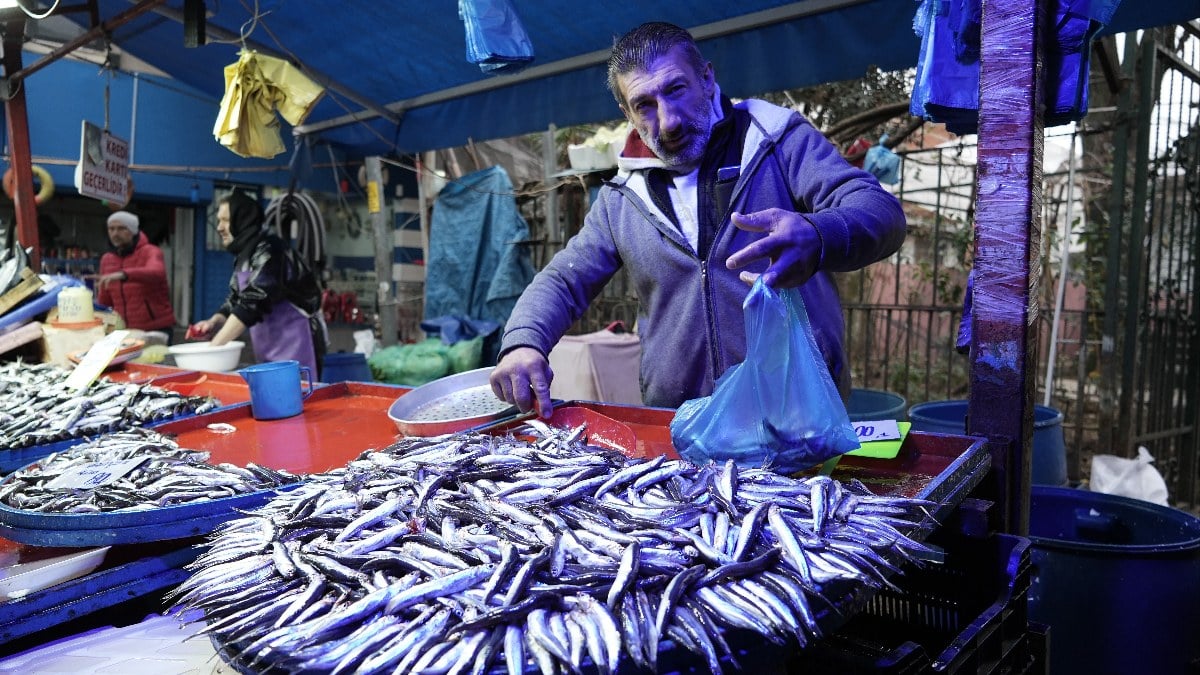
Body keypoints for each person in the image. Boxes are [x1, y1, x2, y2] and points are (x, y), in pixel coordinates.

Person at [490, 21, 906, 415]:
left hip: (798, 414)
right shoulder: (621, 195)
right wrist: (523, 343)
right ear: (626, 112)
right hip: (684, 424)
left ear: (706, 78)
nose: (667, 121)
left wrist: (818, 235)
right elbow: (566, 277)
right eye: (645, 105)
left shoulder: (776, 140)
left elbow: (879, 211)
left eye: (676, 89)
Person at [187, 190, 326, 378]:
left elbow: (252, 303)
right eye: (219, 220)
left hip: (297, 349)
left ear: (242, 219)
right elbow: (236, 299)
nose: (219, 227)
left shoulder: (270, 250)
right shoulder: (246, 254)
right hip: (270, 351)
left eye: (226, 220)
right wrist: (214, 321)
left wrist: (213, 349)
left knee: (300, 400)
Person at [93, 211, 176, 337]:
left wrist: (124, 274)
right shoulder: (107, 259)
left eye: (121, 228)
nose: (115, 233)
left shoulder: (151, 251)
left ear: (133, 231)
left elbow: (157, 272)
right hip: (124, 331)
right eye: (111, 229)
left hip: (155, 328)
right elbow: (105, 300)